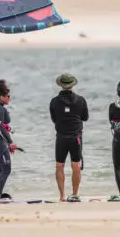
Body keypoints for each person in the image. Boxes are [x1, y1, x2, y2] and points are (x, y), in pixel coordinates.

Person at [49, 73, 89, 202]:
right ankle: (74, 194)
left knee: (59, 165)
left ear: (60, 84)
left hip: (61, 137)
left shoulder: (54, 101)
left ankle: (61, 196)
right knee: (76, 165)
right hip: (76, 137)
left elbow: (54, 119)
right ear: (73, 85)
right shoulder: (81, 100)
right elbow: (85, 117)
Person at [0, 80, 18, 202]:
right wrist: (10, 142)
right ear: (1, 97)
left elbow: (1, 128)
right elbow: (0, 127)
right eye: (8, 96)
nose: (10, 98)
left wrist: (7, 142)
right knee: (6, 169)